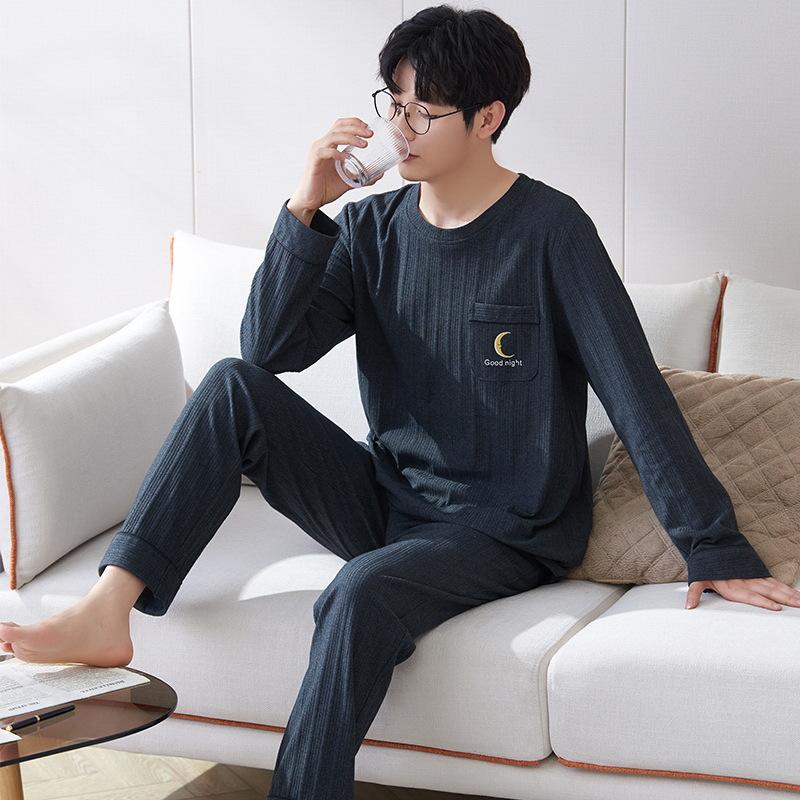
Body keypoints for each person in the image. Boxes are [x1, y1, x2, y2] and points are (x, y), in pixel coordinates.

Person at [2, 4, 799, 799]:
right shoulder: (370, 231)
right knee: (229, 387)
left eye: (425, 110)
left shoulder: (551, 232)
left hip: (507, 530)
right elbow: (268, 351)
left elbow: (634, 393)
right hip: (388, 501)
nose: (400, 128)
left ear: (488, 118)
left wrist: (714, 546)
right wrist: (305, 206)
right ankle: (109, 608)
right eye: (395, 103)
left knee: (358, 592)